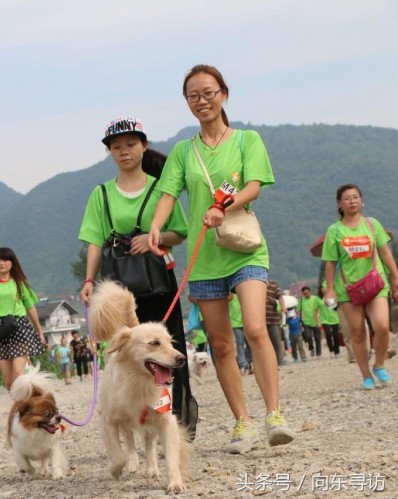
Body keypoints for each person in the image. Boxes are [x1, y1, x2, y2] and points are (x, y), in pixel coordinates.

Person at [148, 64, 294, 454]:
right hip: (205, 258)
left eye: (209, 93)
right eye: (193, 96)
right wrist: (156, 228)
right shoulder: (184, 151)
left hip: (245, 249)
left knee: (255, 327)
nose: (202, 101)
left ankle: (274, 415)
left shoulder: (247, 140)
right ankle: (242, 423)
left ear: (224, 94)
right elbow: (167, 193)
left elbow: (253, 187)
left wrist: (222, 206)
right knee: (221, 343)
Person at [78, 115, 198, 437]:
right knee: (125, 358)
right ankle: (130, 425)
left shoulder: (163, 188)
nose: (124, 151)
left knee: (166, 353)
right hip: (118, 292)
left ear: (144, 146)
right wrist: (89, 282)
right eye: (116, 147)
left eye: (131, 144)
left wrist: (153, 238)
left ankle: (169, 426)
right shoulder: (101, 194)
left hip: (159, 285)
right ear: (110, 153)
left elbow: (180, 233)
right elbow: (93, 240)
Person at [322, 184, 398, 389]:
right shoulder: (334, 230)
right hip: (348, 289)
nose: (352, 201)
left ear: (361, 200)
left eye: (355, 197)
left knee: (382, 326)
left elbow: (385, 252)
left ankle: (379, 364)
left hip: (375, 284)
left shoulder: (372, 225)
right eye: (347, 198)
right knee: (357, 332)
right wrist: (329, 289)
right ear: (339, 203)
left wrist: (395, 276)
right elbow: (329, 262)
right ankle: (365, 375)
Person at [0, 247, 47, 391]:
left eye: (5, 260)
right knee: (9, 383)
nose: (1, 263)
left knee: (18, 372)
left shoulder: (20, 282)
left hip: (19, 327)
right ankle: (23, 406)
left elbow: (30, 308)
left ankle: (29, 404)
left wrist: (39, 332)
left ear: (12, 263)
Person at [265, 281, 287, 366]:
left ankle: (279, 362)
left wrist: (283, 306)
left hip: (273, 319)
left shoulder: (274, 284)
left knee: (276, 342)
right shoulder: (256, 285)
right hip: (260, 320)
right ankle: (268, 364)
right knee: (264, 344)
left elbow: (280, 297)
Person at [317, 281, 341, 358]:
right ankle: (331, 350)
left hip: (334, 318)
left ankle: (337, 351)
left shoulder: (332, 296)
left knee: (335, 335)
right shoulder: (318, 298)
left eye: (325, 287)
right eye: (322, 288)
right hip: (324, 319)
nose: (324, 289)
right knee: (328, 334)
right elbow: (315, 309)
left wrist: (331, 302)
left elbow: (335, 308)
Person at [297, 286, 322, 357]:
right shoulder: (301, 300)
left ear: (310, 292)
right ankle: (311, 348)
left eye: (307, 293)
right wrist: (299, 321)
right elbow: (299, 310)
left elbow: (321, 306)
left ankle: (318, 353)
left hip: (316, 321)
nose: (306, 295)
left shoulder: (315, 298)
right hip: (306, 322)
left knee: (317, 338)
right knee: (308, 337)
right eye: (304, 294)